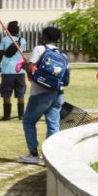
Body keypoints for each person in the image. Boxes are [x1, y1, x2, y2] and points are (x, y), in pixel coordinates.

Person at [18, 26, 70, 165]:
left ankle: (33, 154)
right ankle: (50, 157)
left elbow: (30, 69)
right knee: (53, 125)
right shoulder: (63, 55)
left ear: (45, 37)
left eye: (42, 35)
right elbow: (66, 79)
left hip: (40, 93)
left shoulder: (39, 49)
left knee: (28, 121)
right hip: (58, 93)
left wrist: (24, 65)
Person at [0, 20, 27, 122]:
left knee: (6, 93)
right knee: (20, 93)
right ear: (18, 30)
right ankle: (21, 116)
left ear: (8, 30)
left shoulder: (5, 40)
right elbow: (23, 54)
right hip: (20, 70)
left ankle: (7, 115)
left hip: (7, 70)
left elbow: (1, 53)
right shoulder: (23, 41)